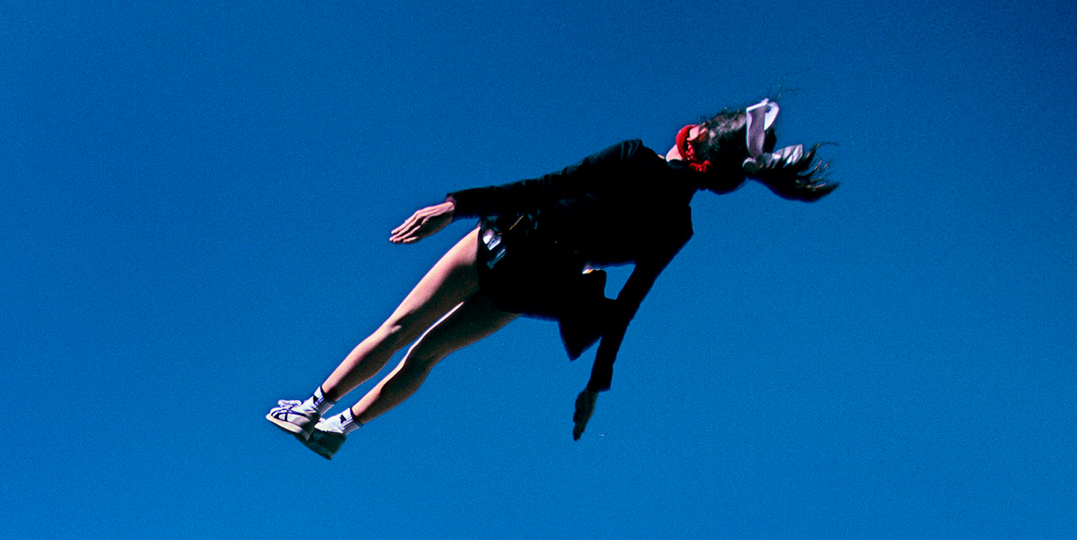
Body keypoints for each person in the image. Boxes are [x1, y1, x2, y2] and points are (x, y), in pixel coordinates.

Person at [266, 98, 835, 459]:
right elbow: (626, 308)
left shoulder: (634, 158)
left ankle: (313, 406)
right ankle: (342, 427)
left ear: (690, 141)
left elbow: (542, 186)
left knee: (398, 328)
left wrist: (455, 206)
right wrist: (594, 386)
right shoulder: (677, 227)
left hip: (505, 240)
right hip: (534, 287)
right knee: (424, 357)